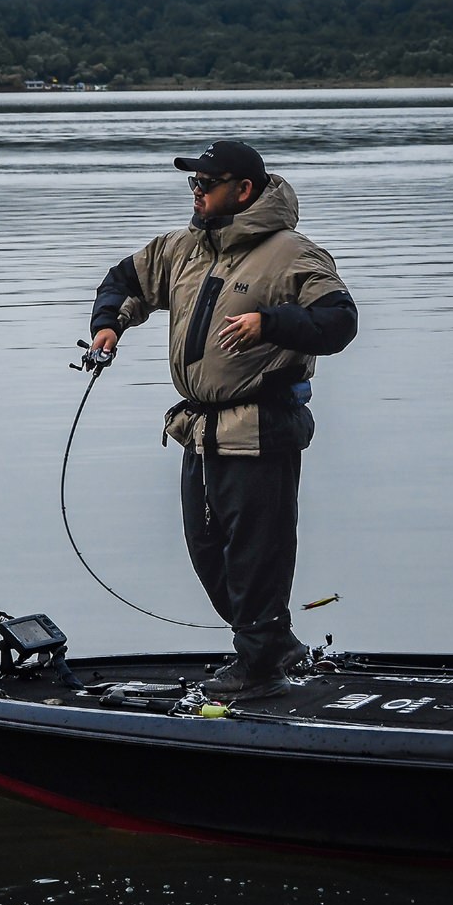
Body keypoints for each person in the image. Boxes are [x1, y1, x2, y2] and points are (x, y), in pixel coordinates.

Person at [88, 139, 356, 699]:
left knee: (257, 553)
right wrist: (111, 323)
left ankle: (259, 665)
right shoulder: (182, 247)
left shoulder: (292, 254)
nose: (197, 192)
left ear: (244, 190)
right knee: (206, 550)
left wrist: (271, 323)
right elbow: (125, 281)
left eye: (206, 185)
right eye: (193, 183)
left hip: (261, 430)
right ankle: (273, 645)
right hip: (199, 432)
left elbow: (339, 321)